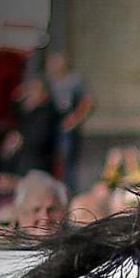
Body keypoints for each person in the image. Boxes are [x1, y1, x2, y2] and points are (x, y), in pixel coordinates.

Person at [46, 51, 95, 193]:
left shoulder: (75, 80)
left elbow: (89, 101)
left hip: (67, 123)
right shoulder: (49, 81)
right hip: (51, 123)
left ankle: (69, 191)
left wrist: (75, 118)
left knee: (68, 162)